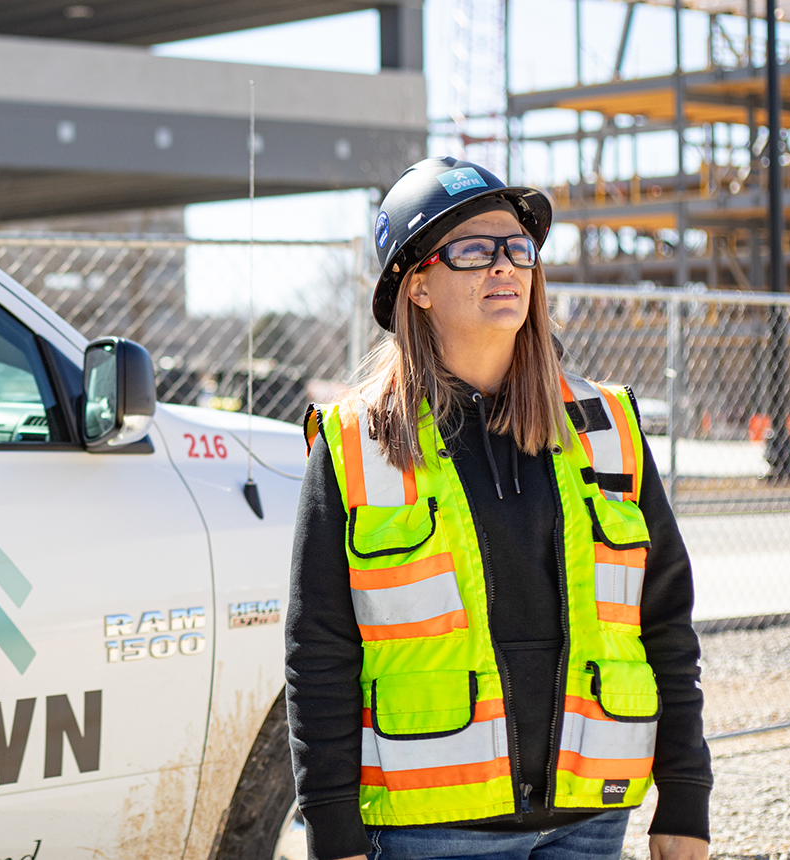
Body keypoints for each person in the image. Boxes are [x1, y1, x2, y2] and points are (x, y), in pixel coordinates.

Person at [285, 157, 711, 860]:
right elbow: (319, 653)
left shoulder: (608, 425)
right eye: (474, 251)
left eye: (518, 248)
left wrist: (686, 798)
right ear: (416, 283)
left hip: (590, 815)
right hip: (433, 826)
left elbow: (664, 623)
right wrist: (332, 832)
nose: (506, 266)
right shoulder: (356, 445)